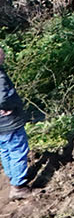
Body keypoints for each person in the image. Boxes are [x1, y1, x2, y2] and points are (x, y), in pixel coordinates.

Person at [0, 46, 33, 201]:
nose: (3, 54)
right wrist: (8, 107)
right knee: (17, 150)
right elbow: (3, 98)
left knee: (5, 150)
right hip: (9, 122)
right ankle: (18, 186)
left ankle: (13, 177)